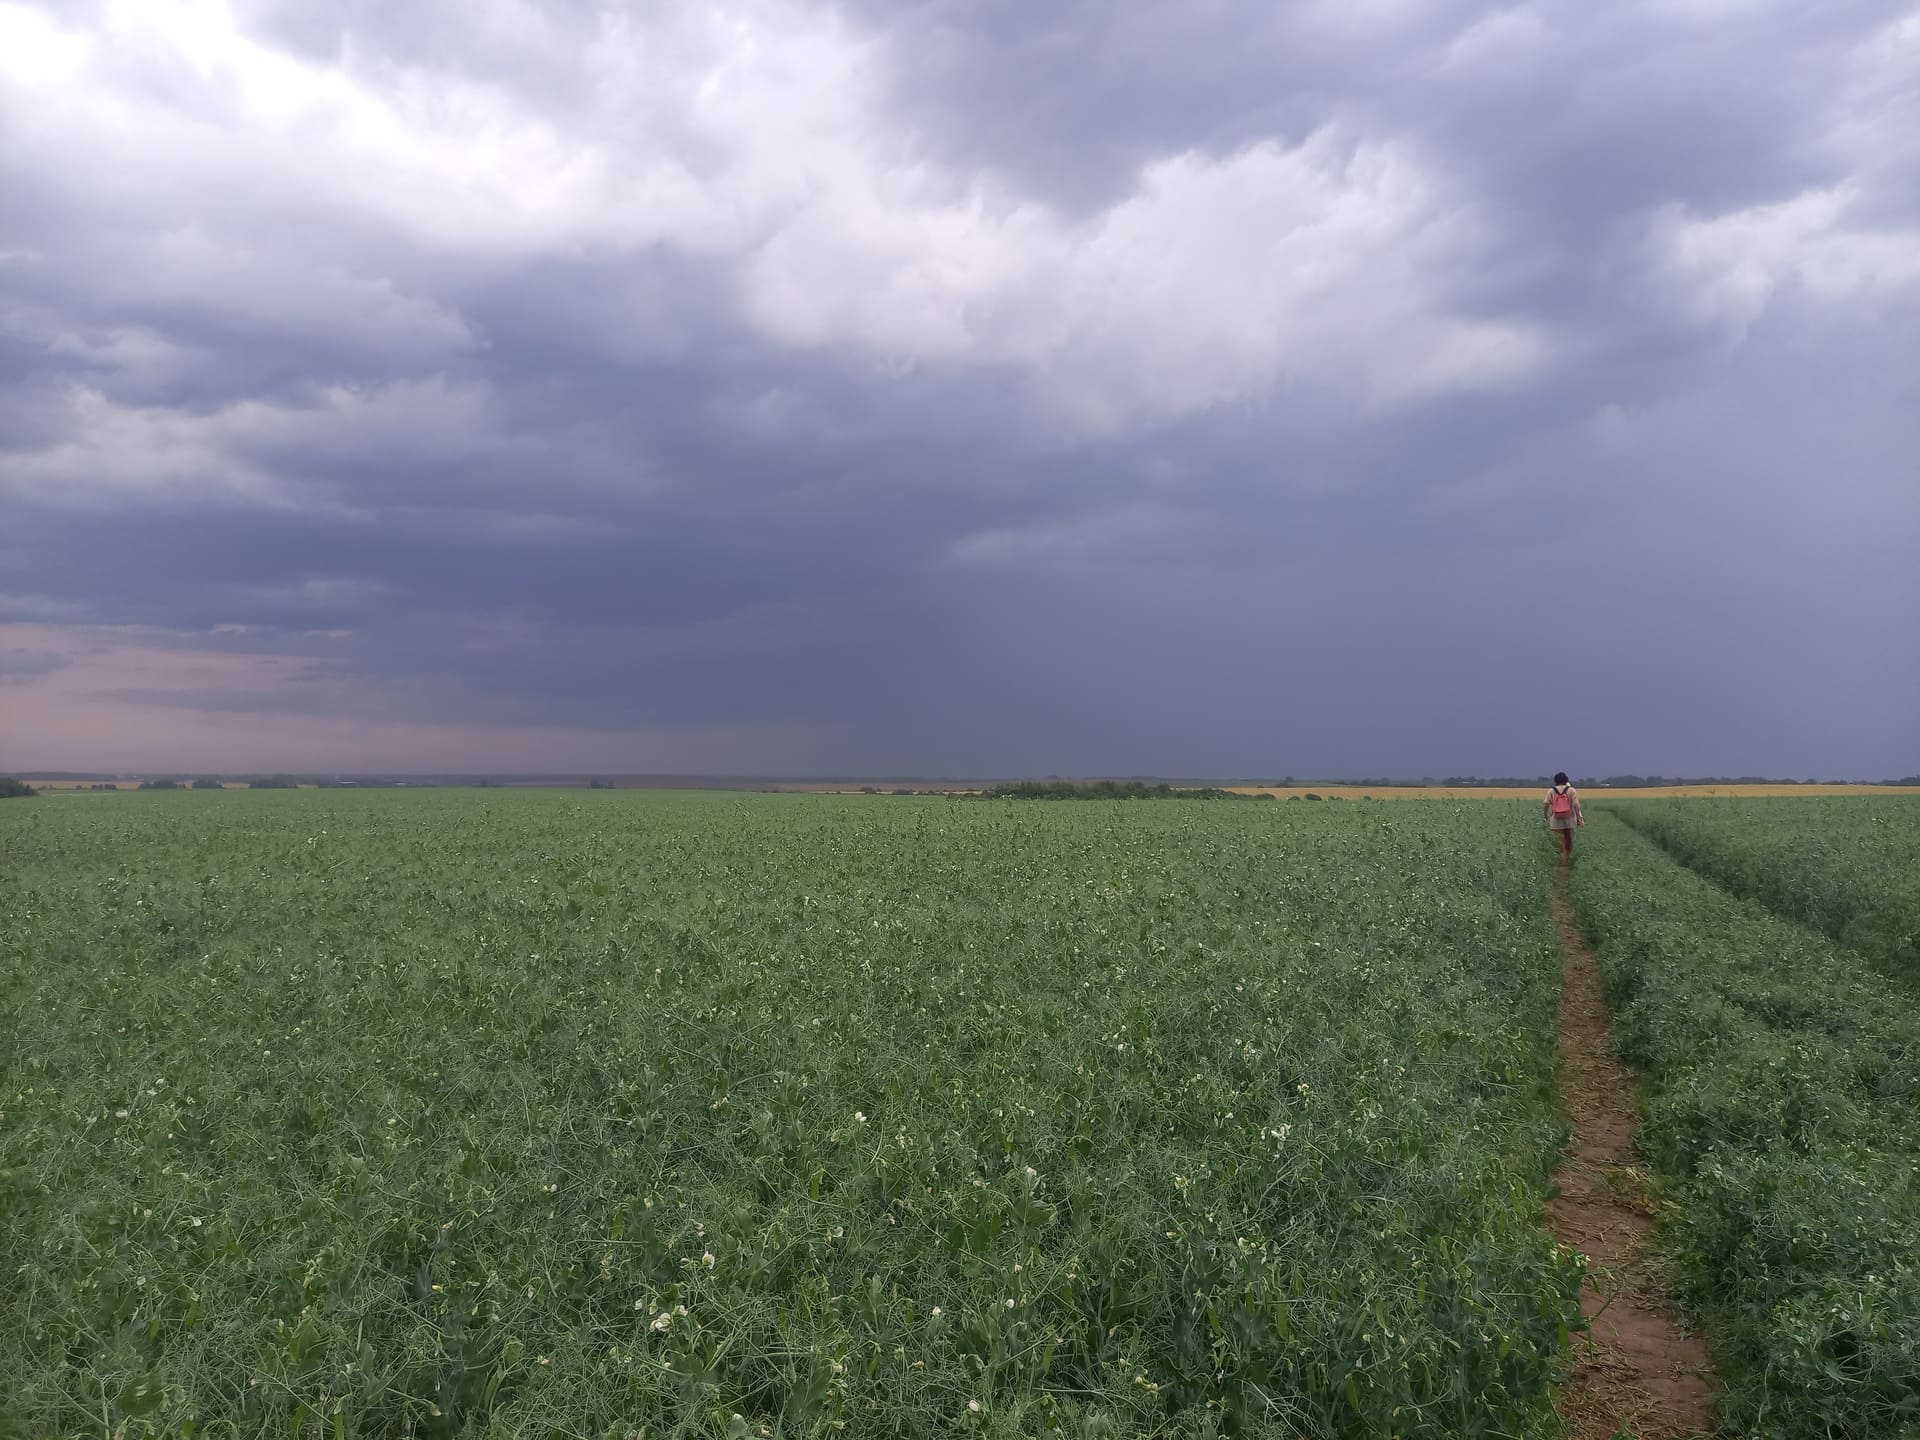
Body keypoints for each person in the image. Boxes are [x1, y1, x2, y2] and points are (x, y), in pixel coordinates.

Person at [1544, 772, 1583, 859]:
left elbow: (1546, 803)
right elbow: (1576, 805)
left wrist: (1545, 815)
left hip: (1556, 819)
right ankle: (1569, 859)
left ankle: (1563, 860)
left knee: (1561, 840)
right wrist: (1579, 818)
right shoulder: (1571, 790)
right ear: (1566, 780)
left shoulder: (1551, 791)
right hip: (1570, 818)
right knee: (1569, 839)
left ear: (1555, 781)